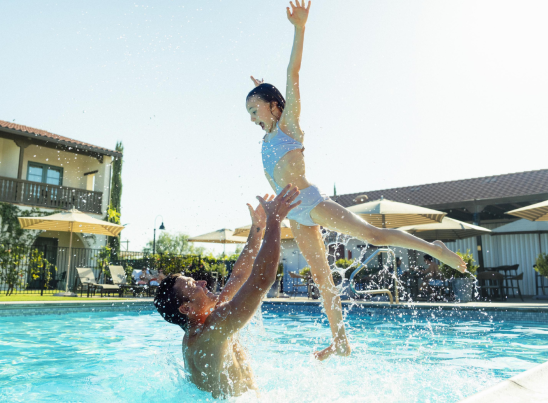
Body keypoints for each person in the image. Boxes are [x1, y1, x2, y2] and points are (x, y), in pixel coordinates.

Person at [245, 0, 467, 360]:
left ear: (273, 106)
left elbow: (293, 74)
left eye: (255, 109)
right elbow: (270, 101)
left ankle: (435, 249)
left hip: (311, 203)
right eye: (248, 113)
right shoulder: (267, 137)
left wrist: (300, 29)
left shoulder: (288, 126)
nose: (252, 117)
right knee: (322, 279)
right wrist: (261, 90)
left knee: (374, 236)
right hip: (294, 216)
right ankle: (341, 340)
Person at [154, 185, 301, 398]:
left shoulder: (200, 328)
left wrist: (258, 228)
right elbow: (262, 280)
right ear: (187, 308)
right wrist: (275, 222)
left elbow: (239, 277)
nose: (203, 283)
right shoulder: (213, 328)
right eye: (195, 286)